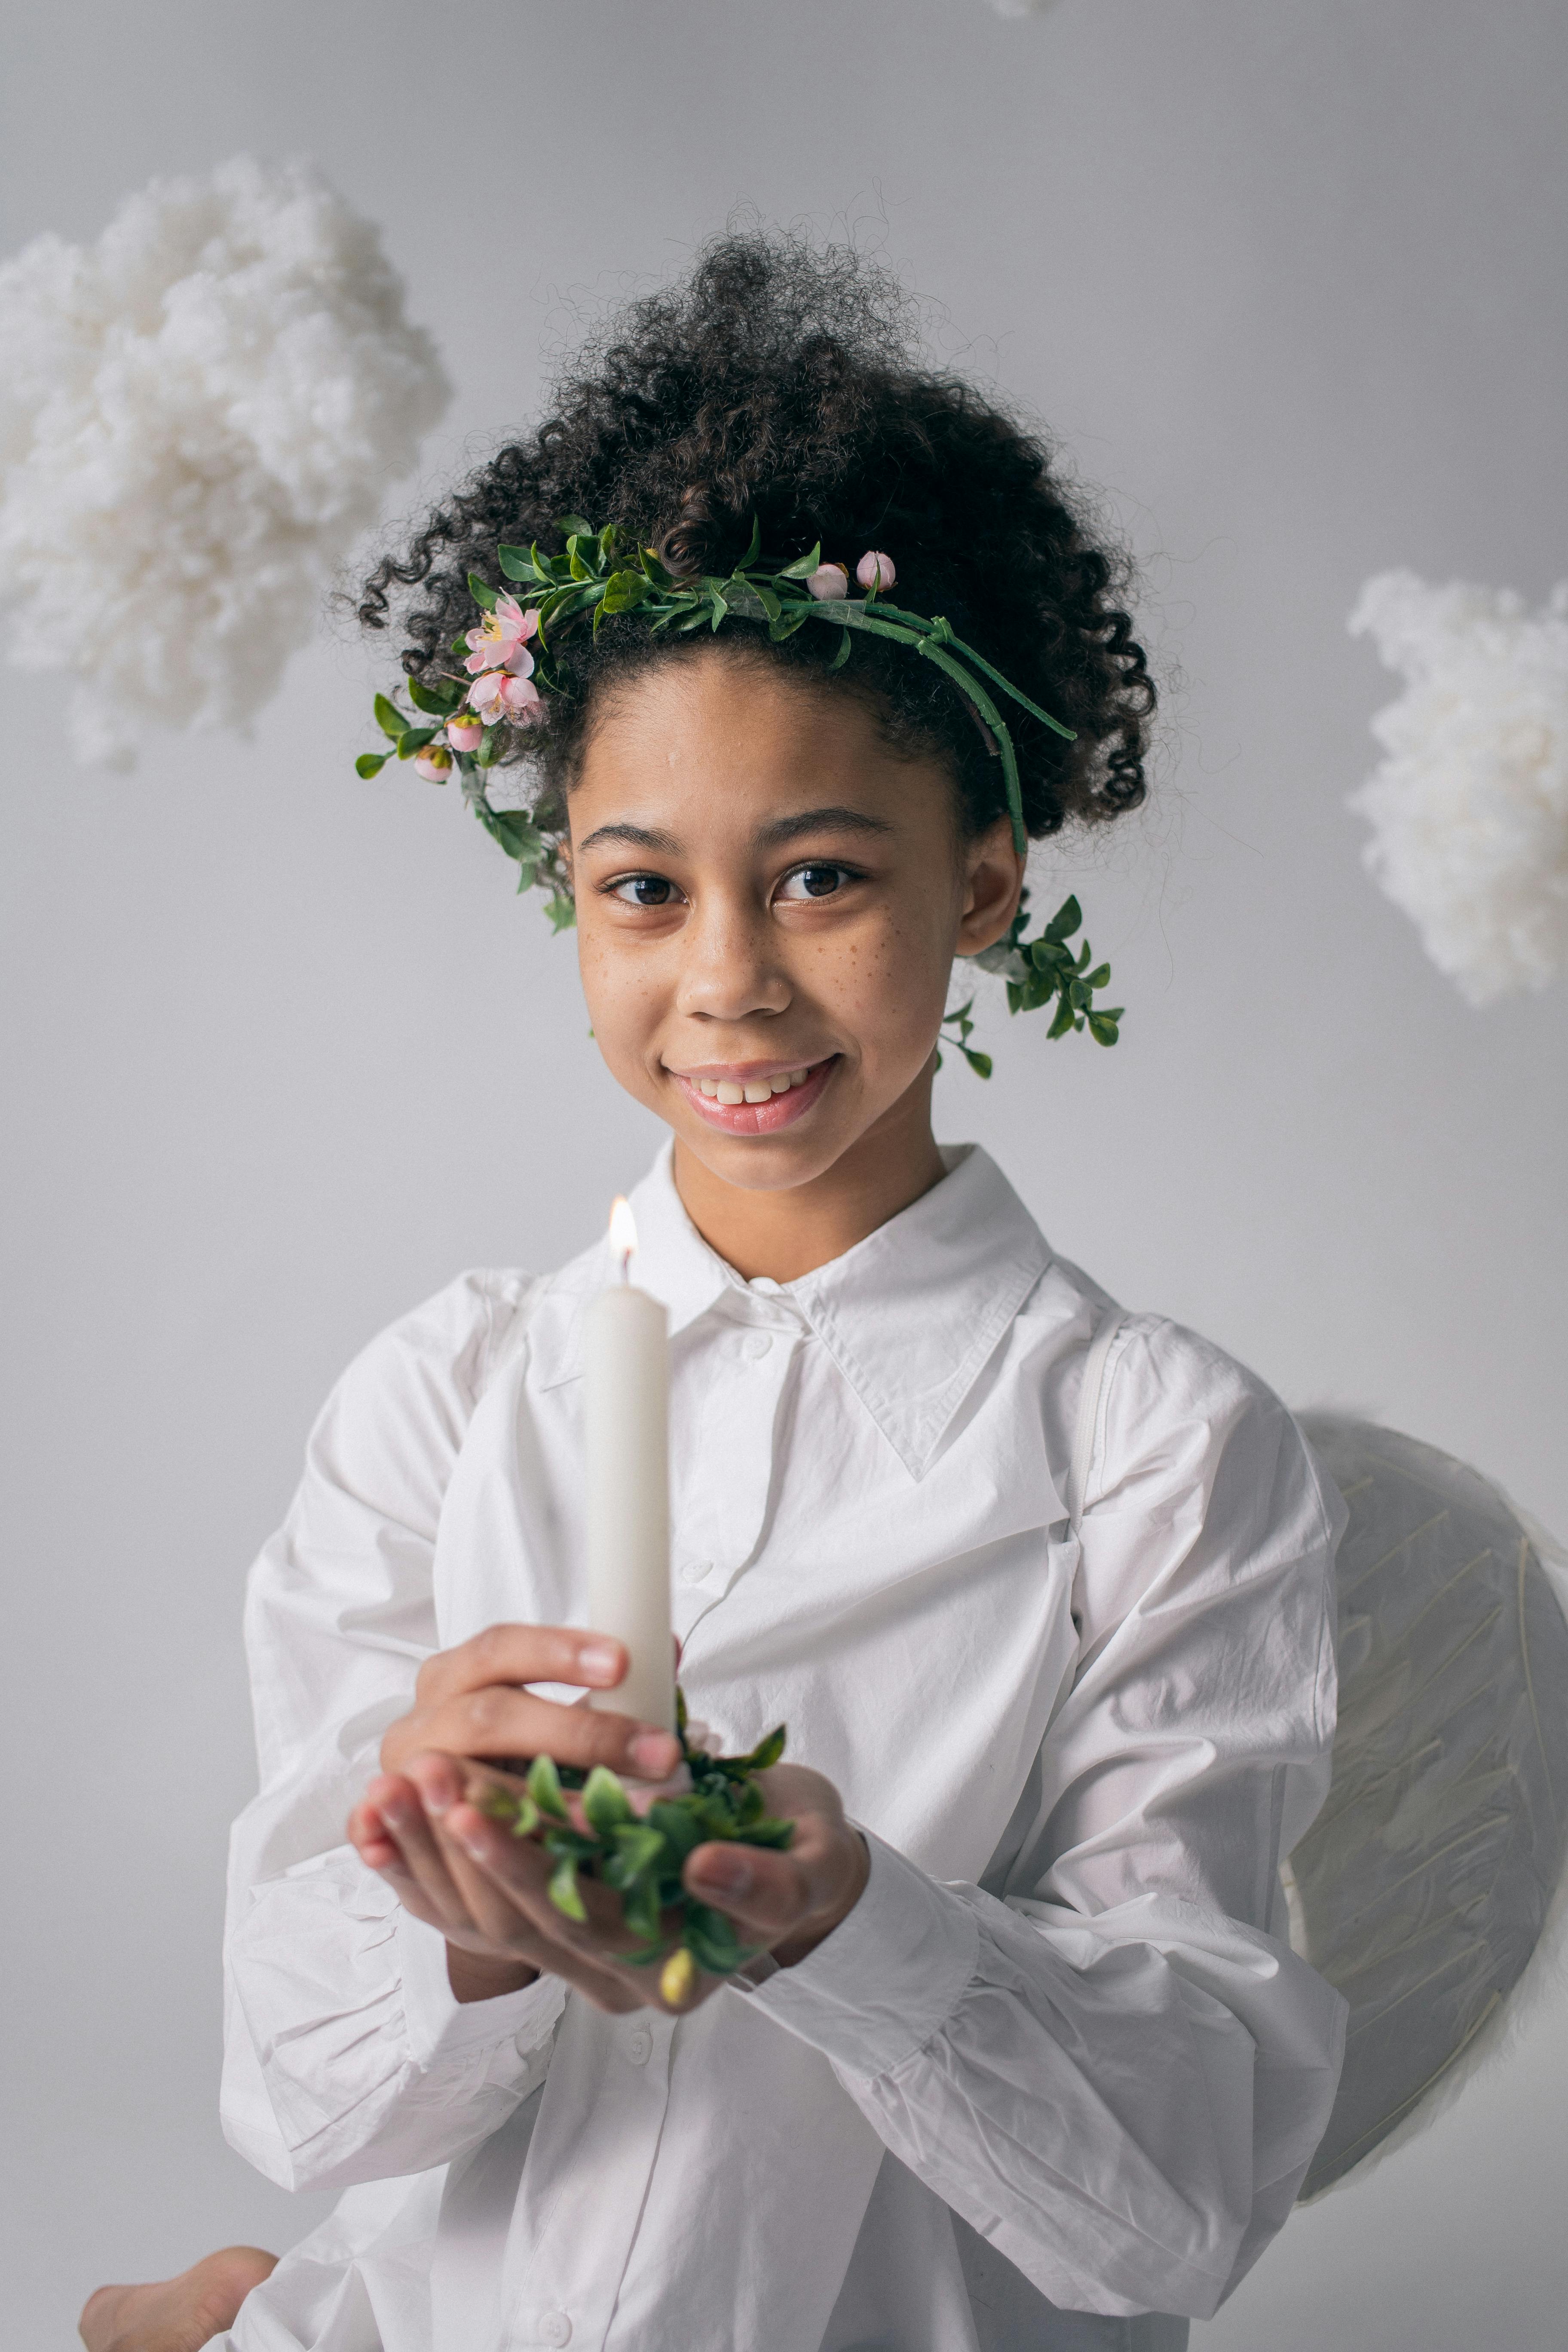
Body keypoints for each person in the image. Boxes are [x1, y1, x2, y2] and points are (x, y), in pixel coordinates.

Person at [82, 238, 1346, 2352]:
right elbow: (302, 2097)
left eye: (826, 875)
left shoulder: (1155, 1455)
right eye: (643, 889)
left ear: (988, 884)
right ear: (566, 885)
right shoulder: (442, 1400)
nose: (730, 980)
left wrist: (847, 1918)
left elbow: (1170, 2207)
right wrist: (453, 1929)